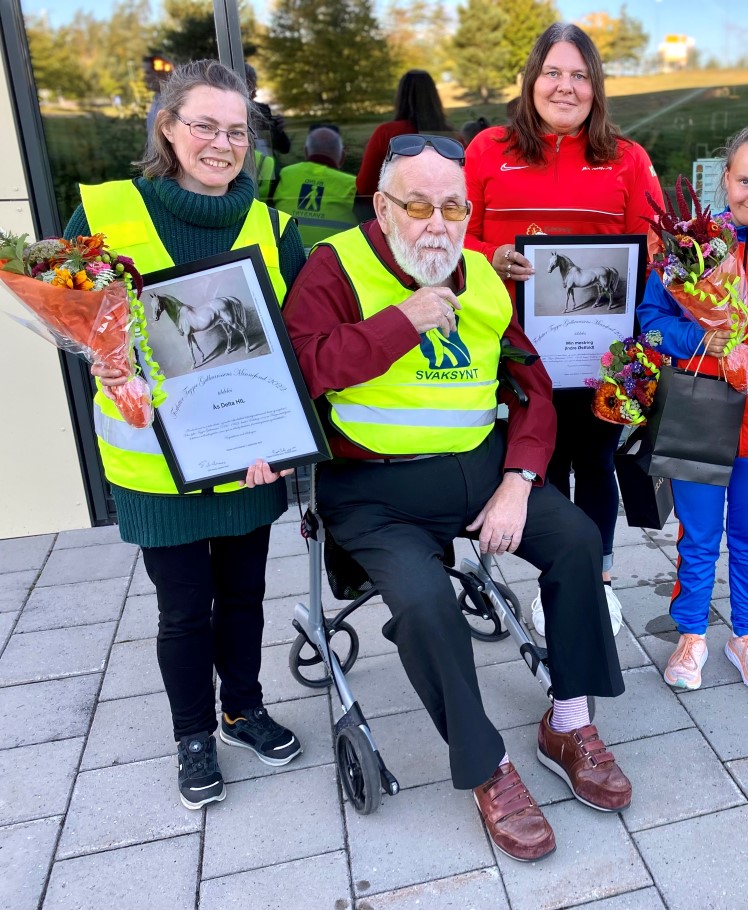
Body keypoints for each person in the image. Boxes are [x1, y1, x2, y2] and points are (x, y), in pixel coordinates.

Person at [283, 135, 630, 863]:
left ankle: (567, 719)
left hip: (483, 473)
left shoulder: (483, 277)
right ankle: (488, 769)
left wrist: (519, 480)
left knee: (574, 542)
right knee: (424, 603)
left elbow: (530, 388)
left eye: (453, 205)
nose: (437, 222)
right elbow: (303, 370)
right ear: (382, 205)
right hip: (376, 494)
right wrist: (398, 323)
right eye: (418, 204)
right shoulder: (334, 268)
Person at [64, 59, 307, 809]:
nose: (223, 142)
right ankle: (192, 733)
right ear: (167, 127)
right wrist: (101, 364)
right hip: (153, 463)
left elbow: (295, 347)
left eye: (237, 130)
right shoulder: (104, 216)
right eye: (205, 125)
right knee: (182, 608)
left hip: (247, 456)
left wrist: (288, 440)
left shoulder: (274, 229)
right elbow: (72, 324)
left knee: (244, 596)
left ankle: (243, 708)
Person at [463, 23, 664, 639]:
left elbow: (656, 244)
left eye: (580, 75)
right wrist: (493, 254)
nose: (566, 86)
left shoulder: (626, 159)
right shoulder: (487, 150)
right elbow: (451, 235)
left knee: (597, 465)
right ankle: (555, 582)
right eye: (554, 72)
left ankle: (596, 582)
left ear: (596, 88)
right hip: (512, 347)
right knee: (538, 470)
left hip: (598, 353)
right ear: (531, 79)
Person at [638, 114, 748, 691]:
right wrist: (697, 338)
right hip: (699, 419)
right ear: (724, 179)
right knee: (698, 535)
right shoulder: (689, 249)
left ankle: (747, 632)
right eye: (745, 182)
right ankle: (690, 634)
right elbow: (650, 326)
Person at [354, 69, 454, 217]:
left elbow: (365, 187)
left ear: (401, 97)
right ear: (434, 98)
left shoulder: (387, 134)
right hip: (443, 220)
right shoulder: (453, 139)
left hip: (398, 220)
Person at [271, 126, 358, 249]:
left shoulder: (284, 174)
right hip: (333, 259)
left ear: (306, 152)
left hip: (285, 254)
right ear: (342, 157)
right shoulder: (353, 185)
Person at [244, 63, 290, 201]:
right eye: (249, 82)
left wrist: (278, 130)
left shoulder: (262, 109)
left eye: (253, 83)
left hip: (266, 172)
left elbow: (284, 147)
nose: (254, 88)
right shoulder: (224, 111)